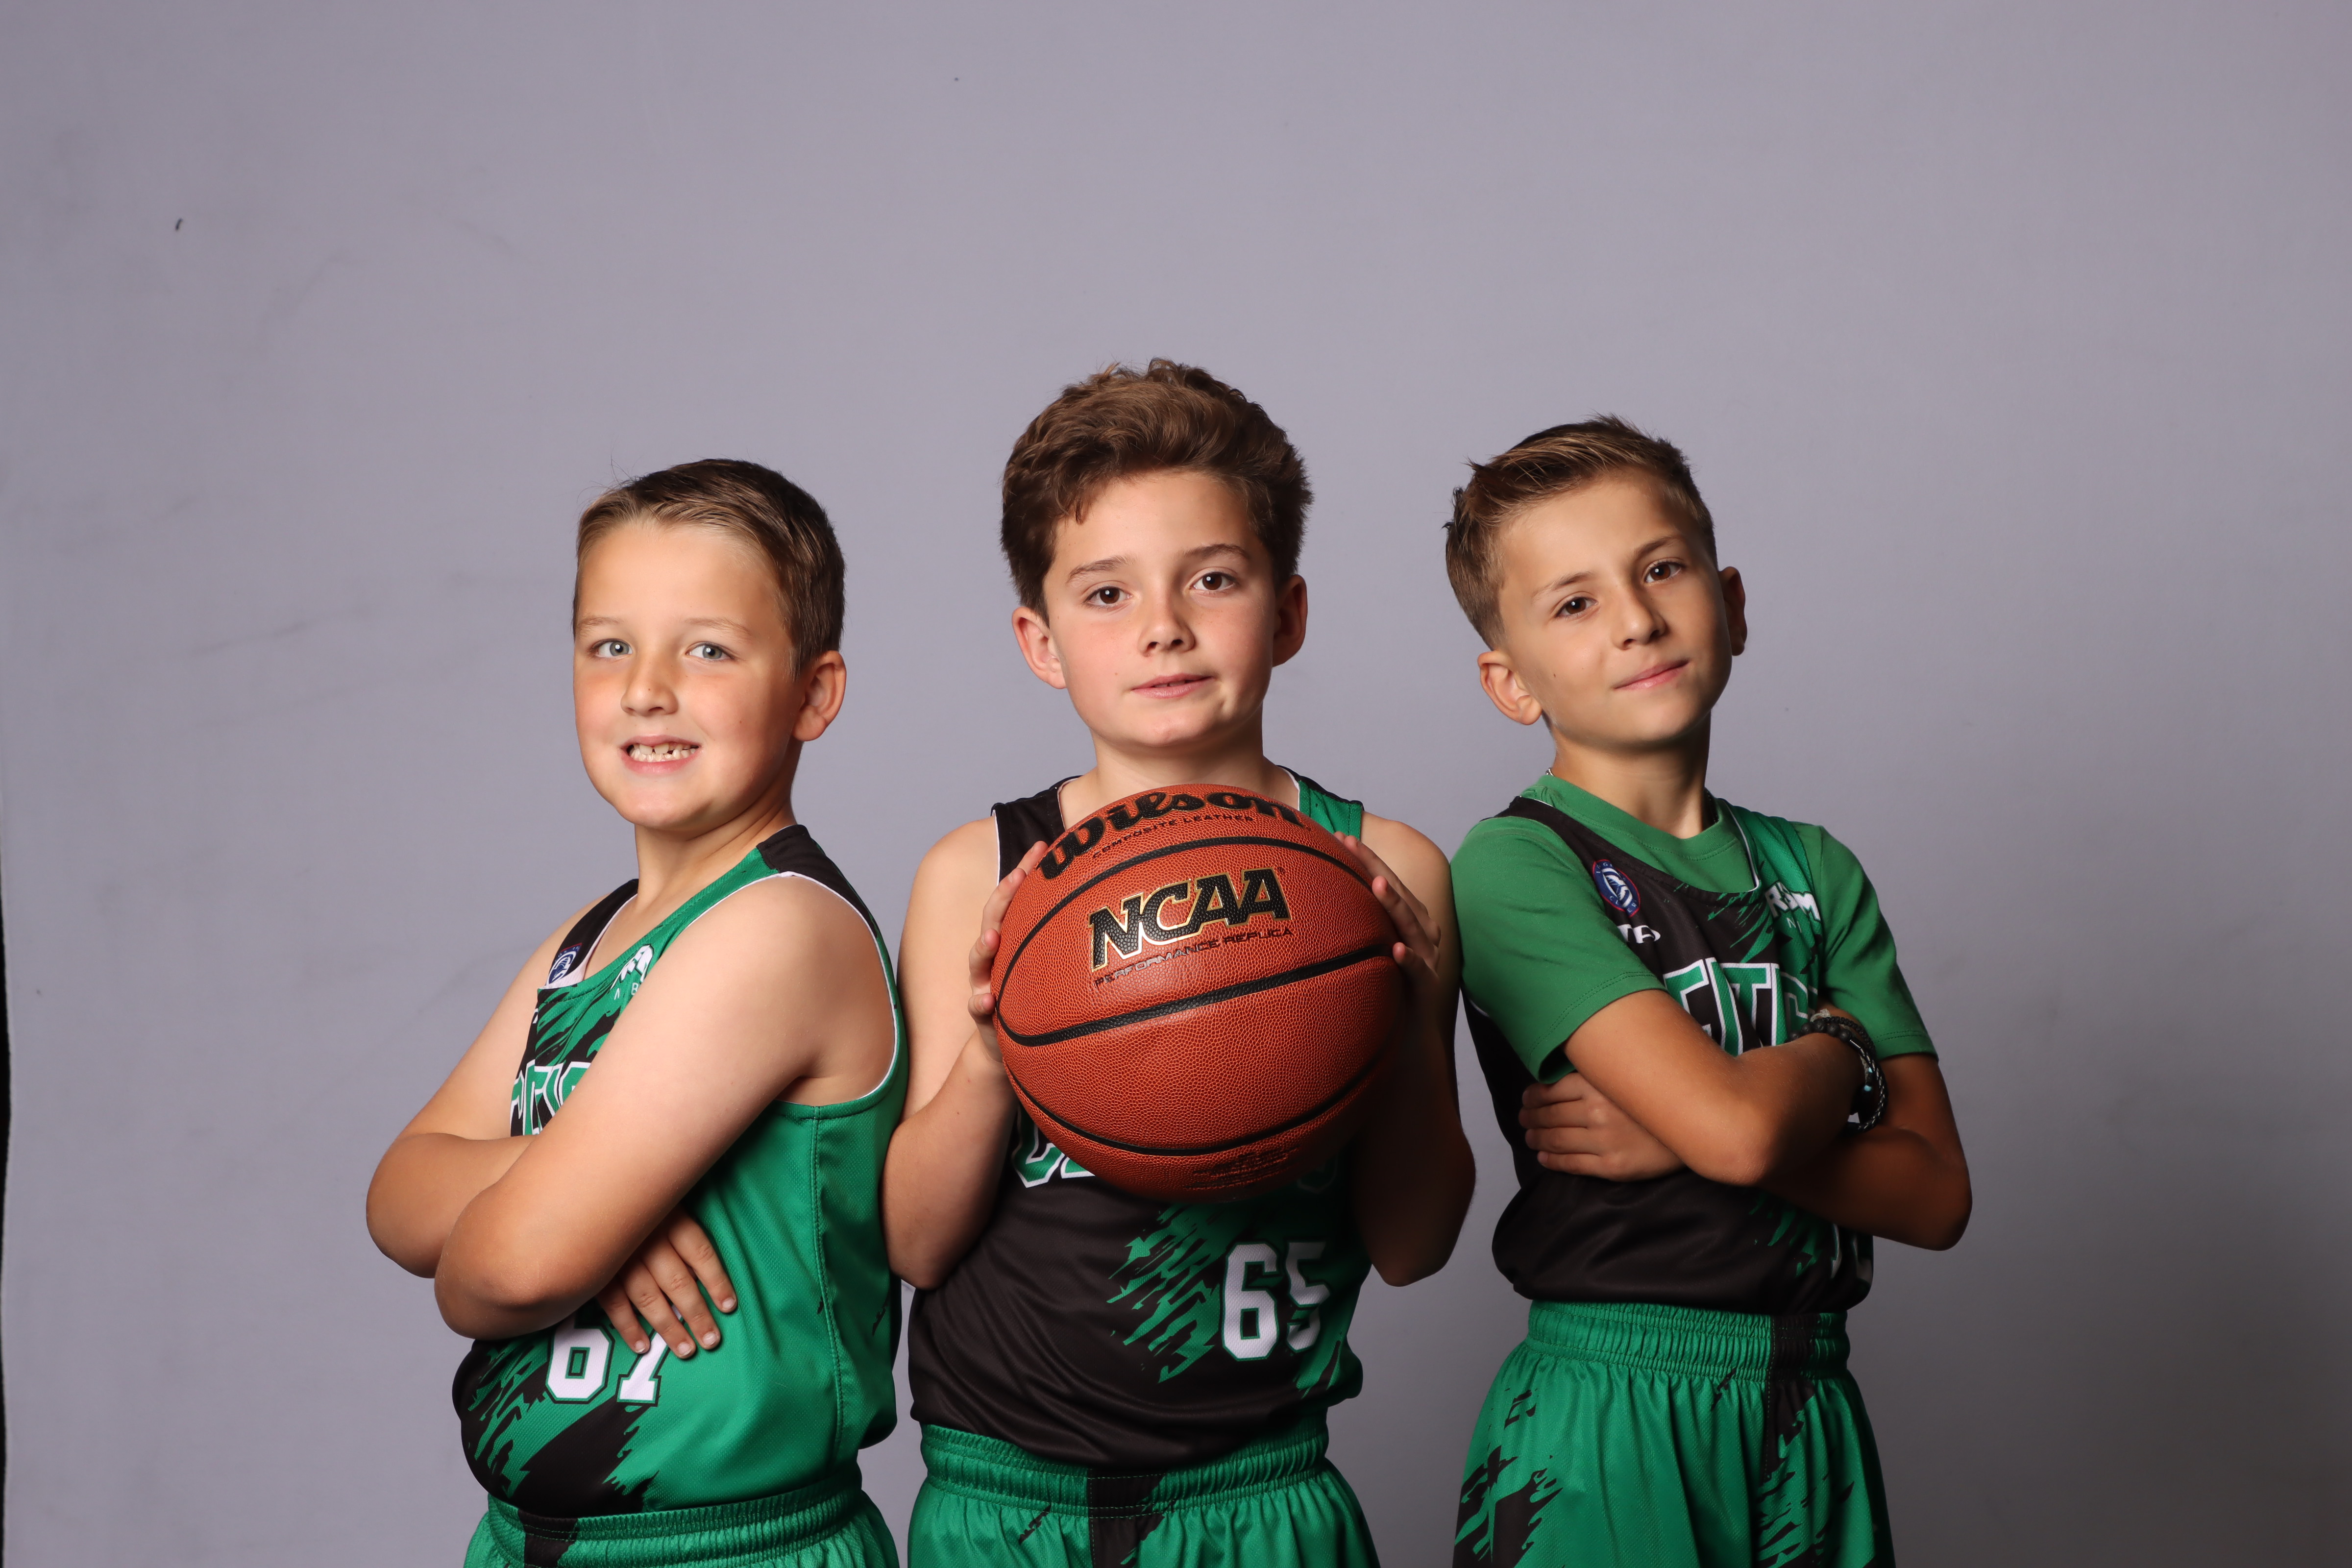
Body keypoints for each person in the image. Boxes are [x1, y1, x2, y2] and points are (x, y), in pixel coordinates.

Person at [887, 361, 1475, 1567]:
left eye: (1213, 578)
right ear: (1041, 641)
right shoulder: (979, 873)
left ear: (1289, 612)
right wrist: (997, 1052)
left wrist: (1409, 1025)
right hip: (1006, 1503)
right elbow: (915, 1243)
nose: (1164, 625)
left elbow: (1415, 1246)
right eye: (1107, 593)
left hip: (1259, 1494)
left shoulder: (1379, 863)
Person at [1442, 419, 1972, 1568]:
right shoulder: (1515, 865)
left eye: (1663, 568)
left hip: (1812, 1399)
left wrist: (1684, 1136)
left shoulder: (1815, 869)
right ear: (1511, 682)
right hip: (1612, 1406)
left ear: (1730, 602)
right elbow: (1735, 1132)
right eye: (1574, 603)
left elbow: (1936, 1196)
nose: (1637, 619)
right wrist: (1839, 1055)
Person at [365, 461, 905, 1568]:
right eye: (609, 645)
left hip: (733, 1545)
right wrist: (585, 1191)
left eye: (707, 650)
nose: (647, 689)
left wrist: (555, 1220)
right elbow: (398, 1194)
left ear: (814, 693)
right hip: (528, 1537)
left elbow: (504, 1270)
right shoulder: (589, 933)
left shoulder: (779, 927)